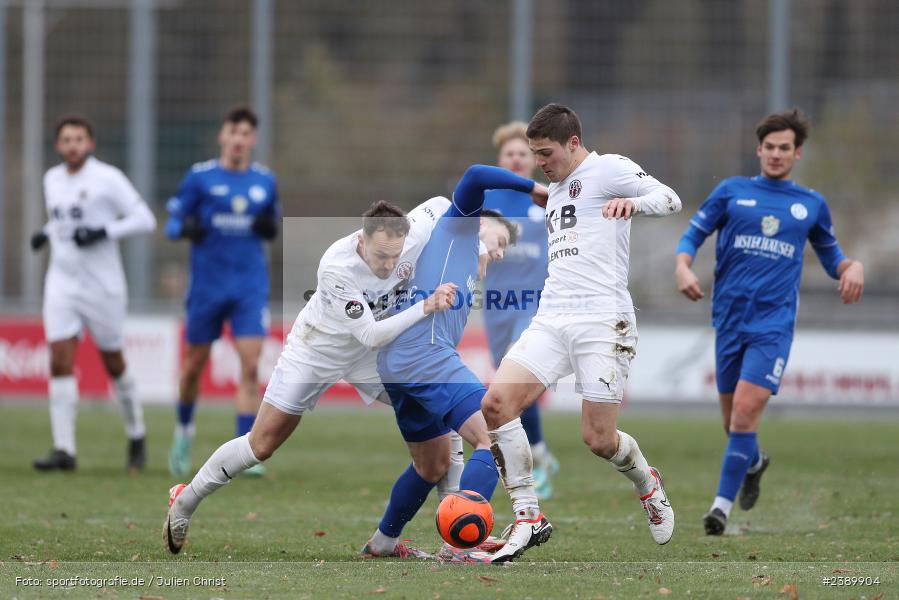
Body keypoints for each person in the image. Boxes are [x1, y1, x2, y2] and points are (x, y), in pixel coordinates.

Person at [163, 198, 459, 555]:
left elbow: (447, 203)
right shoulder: (337, 266)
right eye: (381, 257)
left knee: (442, 413)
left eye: (396, 257)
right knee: (262, 444)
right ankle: (184, 501)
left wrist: (486, 234)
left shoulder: (413, 230)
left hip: (369, 358)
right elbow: (369, 334)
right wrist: (424, 306)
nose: (389, 265)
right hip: (317, 350)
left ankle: (444, 544)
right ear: (362, 242)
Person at [480, 103, 682, 562]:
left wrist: (634, 202)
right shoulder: (553, 188)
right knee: (495, 404)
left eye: (546, 152)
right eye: (533, 154)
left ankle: (647, 483)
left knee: (598, 439)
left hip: (602, 319)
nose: (540, 162)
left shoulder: (608, 168)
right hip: (553, 316)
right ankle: (528, 516)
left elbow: (670, 198)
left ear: (573, 143)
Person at [673, 108, 864, 535]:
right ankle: (754, 462)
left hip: (773, 326)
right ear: (759, 150)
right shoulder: (731, 192)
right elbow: (692, 236)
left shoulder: (810, 204)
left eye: (786, 148)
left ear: (797, 154)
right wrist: (683, 266)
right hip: (728, 321)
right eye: (770, 147)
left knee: (744, 412)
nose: (776, 154)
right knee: (733, 423)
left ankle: (719, 509)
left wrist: (852, 266)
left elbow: (833, 258)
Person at [362, 165, 547, 562]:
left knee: (433, 465)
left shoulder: (465, 270)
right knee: (493, 436)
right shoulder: (460, 226)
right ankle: (462, 542)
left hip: (400, 364)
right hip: (424, 359)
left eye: (502, 251)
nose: (498, 253)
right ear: (480, 222)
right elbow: (475, 174)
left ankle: (382, 542)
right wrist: (535, 188)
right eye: (498, 241)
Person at [30, 114, 157, 472]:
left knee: (113, 363)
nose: (73, 146)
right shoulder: (51, 178)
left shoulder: (107, 178)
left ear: (91, 143)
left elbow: (145, 219)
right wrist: (46, 233)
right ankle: (64, 450)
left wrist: (104, 232)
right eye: (66, 140)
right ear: (58, 146)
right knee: (59, 359)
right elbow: (62, 220)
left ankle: (136, 433)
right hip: (62, 282)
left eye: (79, 139)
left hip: (103, 286)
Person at [164, 107, 279, 477]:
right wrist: (187, 229)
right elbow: (172, 224)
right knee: (194, 367)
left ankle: (244, 450)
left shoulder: (265, 182)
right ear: (222, 136)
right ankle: (183, 432)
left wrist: (267, 226)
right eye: (233, 132)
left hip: (248, 287)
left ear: (252, 141)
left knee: (249, 366)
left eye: (246, 133)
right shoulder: (200, 178)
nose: (239, 139)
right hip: (207, 289)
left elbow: (272, 224)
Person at [482, 122, 559, 500]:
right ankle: (541, 454)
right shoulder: (488, 199)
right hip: (497, 304)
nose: (516, 159)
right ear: (500, 161)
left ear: (533, 160)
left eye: (523, 154)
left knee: (515, 378)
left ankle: (535, 462)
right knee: (506, 388)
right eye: (509, 154)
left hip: (534, 303)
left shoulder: (547, 199)